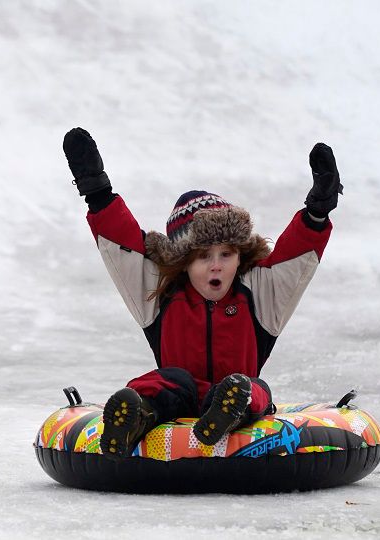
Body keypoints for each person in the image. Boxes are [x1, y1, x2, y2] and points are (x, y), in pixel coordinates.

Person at [62, 127, 341, 458]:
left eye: (226, 255)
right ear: (183, 261)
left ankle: (228, 410)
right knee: (167, 380)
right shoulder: (160, 293)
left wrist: (317, 212)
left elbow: (295, 258)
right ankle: (134, 416)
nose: (216, 266)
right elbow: (124, 248)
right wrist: (96, 191)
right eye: (203, 256)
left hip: (234, 395)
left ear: (241, 256)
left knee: (253, 388)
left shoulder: (259, 294)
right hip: (176, 398)